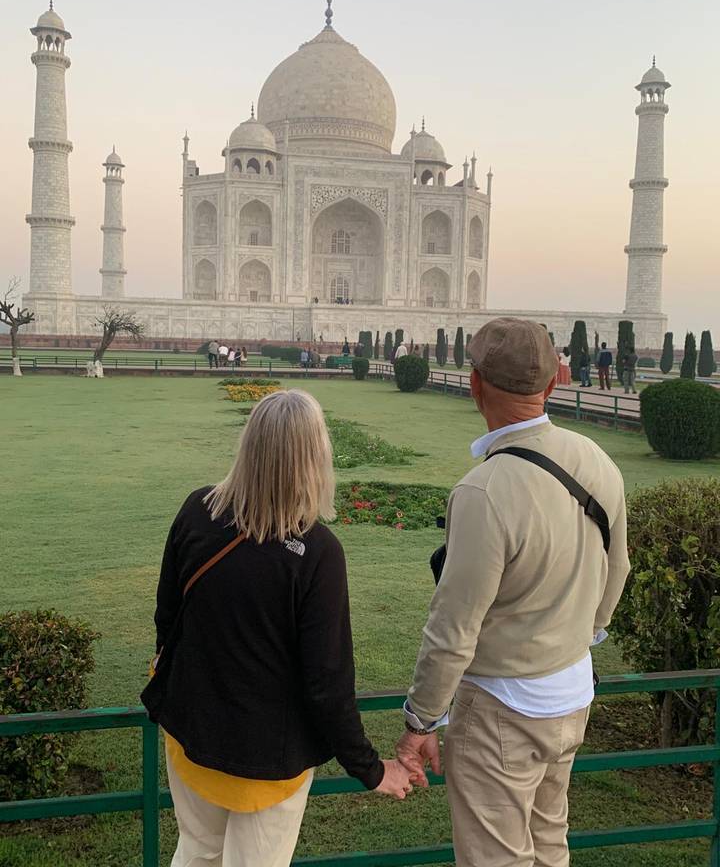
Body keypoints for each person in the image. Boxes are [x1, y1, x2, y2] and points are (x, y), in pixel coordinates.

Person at [396, 317, 629, 867]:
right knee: (549, 846)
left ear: (474, 385)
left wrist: (419, 723)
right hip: (572, 696)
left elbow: (454, 629)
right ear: (552, 384)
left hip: (504, 708)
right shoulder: (595, 459)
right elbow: (616, 569)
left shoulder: (485, 491)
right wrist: (571, 638)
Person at [146, 390, 414, 867]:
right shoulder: (316, 553)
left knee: (197, 852)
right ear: (315, 458)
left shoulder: (197, 510)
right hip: (269, 758)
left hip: (191, 728)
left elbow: (167, 618)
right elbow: (328, 683)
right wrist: (372, 771)